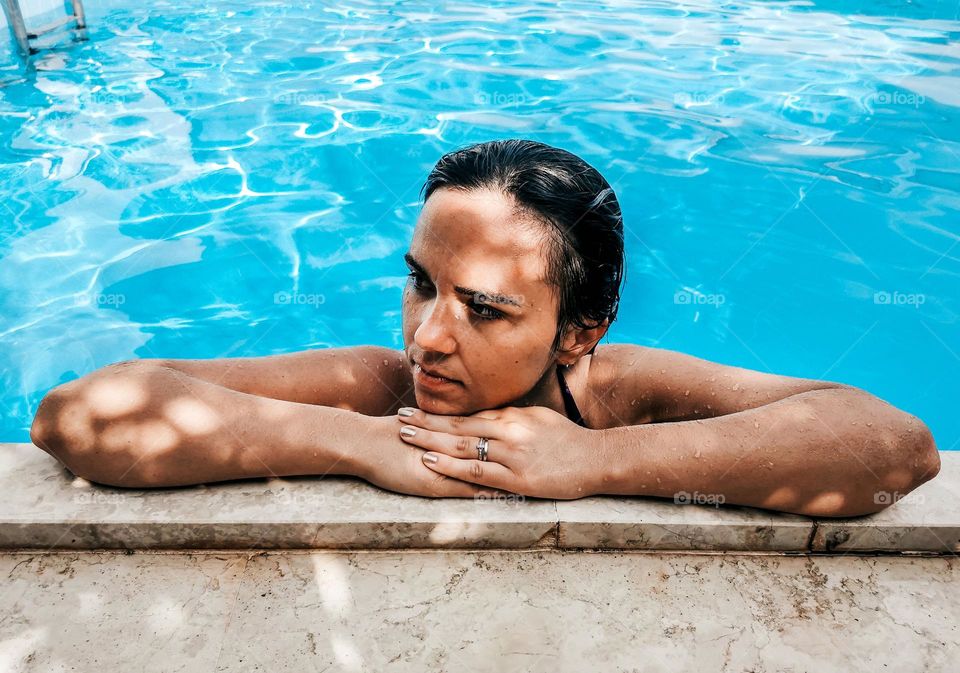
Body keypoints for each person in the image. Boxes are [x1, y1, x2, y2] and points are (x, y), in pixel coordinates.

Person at [29, 139, 940, 517]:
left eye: (486, 307)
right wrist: (355, 441)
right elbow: (78, 411)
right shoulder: (380, 388)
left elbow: (893, 445)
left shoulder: (625, 393)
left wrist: (594, 462)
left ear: (580, 330)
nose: (426, 336)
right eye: (422, 284)